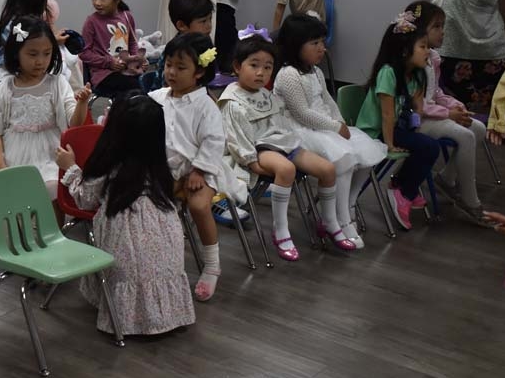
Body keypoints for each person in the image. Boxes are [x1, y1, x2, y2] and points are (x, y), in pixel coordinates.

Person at [0, 16, 92, 270]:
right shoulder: (5, 88)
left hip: (46, 152)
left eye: (47, 53)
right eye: (32, 54)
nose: (40, 61)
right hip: (8, 150)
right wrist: (1, 166)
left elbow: (73, 123)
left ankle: (51, 248)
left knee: (51, 191)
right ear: (16, 53)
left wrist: (81, 103)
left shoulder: (57, 83)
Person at [56, 95, 195, 335]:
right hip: (165, 234)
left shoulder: (110, 165)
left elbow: (86, 199)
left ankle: (129, 316)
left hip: (124, 237)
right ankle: (164, 314)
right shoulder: (160, 163)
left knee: (125, 262)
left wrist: (70, 168)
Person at [218, 29, 345, 260]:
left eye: (267, 67)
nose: (261, 73)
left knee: (327, 169)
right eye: (254, 65)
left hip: (281, 142)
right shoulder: (232, 101)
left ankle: (328, 221)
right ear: (237, 67)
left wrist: (293, 143)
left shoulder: (266, 95)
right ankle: (280, 230)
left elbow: (281, 124)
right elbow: (237, 139)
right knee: (286, 169)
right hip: (257, 148)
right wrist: (252, 163)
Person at [274, 15, 386, 249]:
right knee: (344, 158)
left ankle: (349, 205)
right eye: (314, 43)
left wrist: (341, 122)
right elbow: (302, 114)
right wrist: (335, 127)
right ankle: (340, 220)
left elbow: (328, 100)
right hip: (299, 132)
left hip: (323, 126)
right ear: (296, 44)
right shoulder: (288, 75)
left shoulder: (315, 71)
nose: (322, 48)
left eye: (322, 42)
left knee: (366, 152)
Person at [150, 32, 246, 300]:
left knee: (199, 205)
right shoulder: (158, 97)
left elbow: (214, 141)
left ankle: (212, 266)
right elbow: (139, 113)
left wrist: (199, 170)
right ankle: (159, 258)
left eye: (181, 67)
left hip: (201, 168)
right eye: (169, 64)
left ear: (199, 72)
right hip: (167, 168)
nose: (171, 72)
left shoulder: (205, 105)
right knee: (151, 203)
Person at [405, 0, 492, 227]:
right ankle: (470, 201)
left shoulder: (433, 57)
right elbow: (417, 105)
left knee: (477, 128)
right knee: (465, 135)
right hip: (415, 120)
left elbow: (436, 93)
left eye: (442, 26)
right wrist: (448, 114)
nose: (442, 32)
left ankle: (446, 178)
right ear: (420, 30)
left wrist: (456, 105)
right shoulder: (411, 60)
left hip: (434, 115)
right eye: (436, 26)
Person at [355, 12, 439, 231]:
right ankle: (403, 191)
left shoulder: (417, 75)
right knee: (428, 146)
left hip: (395, 128)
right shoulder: (388, 73)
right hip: (375, 131)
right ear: (404, 51)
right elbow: (387, 115)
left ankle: (403, 186)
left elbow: (418, 109)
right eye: (422, 47)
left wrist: (415, 129)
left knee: (429, 146)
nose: (427, 51)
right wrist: (390, 145)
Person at [80, 0, 143, 99]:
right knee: (134, 90)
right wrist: (108, 62)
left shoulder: (126, 16)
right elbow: (84, 53)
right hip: (103, 75)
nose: (97, 2)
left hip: (126, 70)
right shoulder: (91, 22)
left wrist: (136, 60)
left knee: (144, 84)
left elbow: (132, 43)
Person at [0, 0, 50, 82]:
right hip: (10, 72)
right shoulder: (13, 26)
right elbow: (18, 54)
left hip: (30, 71)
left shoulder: (36, 23)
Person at [153, 0, 214, 79]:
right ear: (182, 25)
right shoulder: (174, 50)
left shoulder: (204, 44)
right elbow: (168, 81)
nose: (209, 26)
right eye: (203, 21)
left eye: (210, 19)